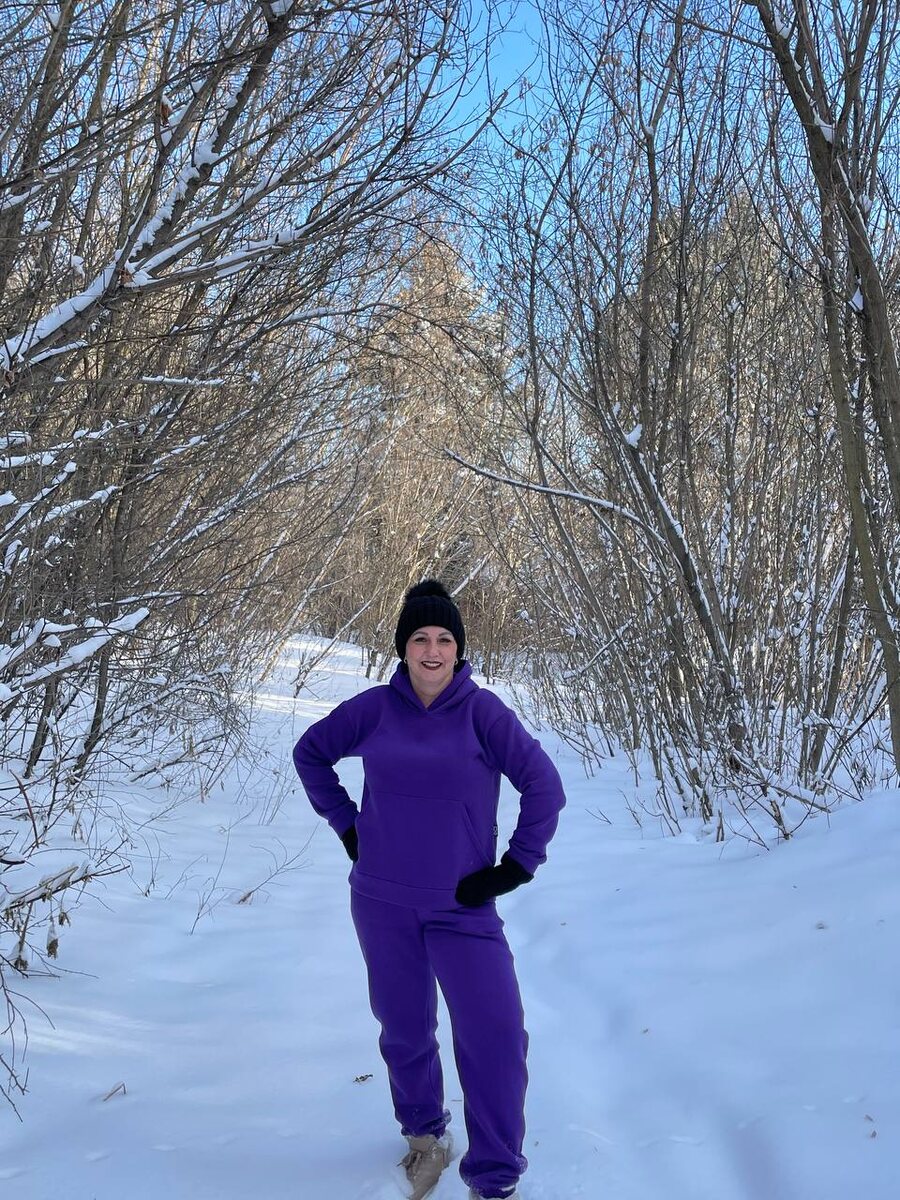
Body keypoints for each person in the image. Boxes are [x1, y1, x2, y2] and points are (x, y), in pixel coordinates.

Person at [292, 580, 566, 1200]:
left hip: (461, 907)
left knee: (496, 1034)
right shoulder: (374, 709)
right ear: (403, 647)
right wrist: (349, 826)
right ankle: (425, 1137)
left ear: (459, 647)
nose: (433, 650)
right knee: (404, 1028)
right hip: (381, 902)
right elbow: (311, 754)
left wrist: (515, 866)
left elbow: (544, 787)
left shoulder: (482, 713)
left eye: (444, 638)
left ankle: (494, 1176)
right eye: (420, 638)